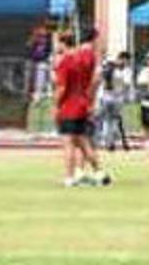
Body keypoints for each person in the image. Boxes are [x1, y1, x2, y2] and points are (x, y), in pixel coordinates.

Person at [54, 29, 111, 187]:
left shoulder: (65, 61)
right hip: (82, 104)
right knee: (84, 142)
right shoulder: (82, 59)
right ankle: (99, 173)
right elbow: (93, 79)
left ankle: (69, 177)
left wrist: (56, 104)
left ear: (61, 43)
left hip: (69, 106)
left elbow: (62, 87)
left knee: (68, 143)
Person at [97, 51, 132, 151]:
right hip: (111, 97)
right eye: (126, 60)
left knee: (110, 120)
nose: (126, 63)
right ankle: (108, 142)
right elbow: (125, 85)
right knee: (111, 120)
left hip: (109, 97)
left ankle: (109, 141)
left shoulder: (110, 66)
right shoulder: (116, 69)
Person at [27, 24, 52, 101]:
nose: (42, 38)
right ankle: (33, 93)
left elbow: (48, 50)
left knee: (42, 76)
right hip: (34, 60)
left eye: (44, 36)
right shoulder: (34, 41)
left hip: (43, 61)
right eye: (41, 35)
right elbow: (29, 48)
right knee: (32, 77)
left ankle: (40, 93)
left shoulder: (47, 41)